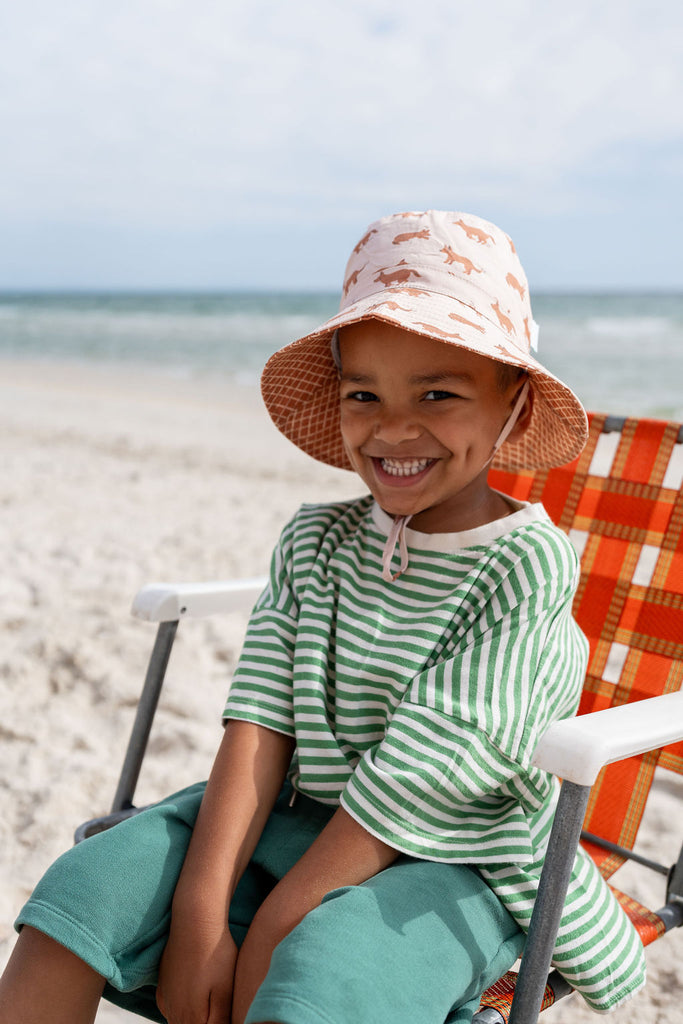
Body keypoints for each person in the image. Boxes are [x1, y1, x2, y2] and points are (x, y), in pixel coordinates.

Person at [0, 210, 646, 1024]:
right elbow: (258, 724)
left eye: (437, 395)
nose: (393, 429)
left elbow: (427, 774)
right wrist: (203, 913)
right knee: (84, 886)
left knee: (322, 971)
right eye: (363, 395)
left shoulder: (525, 565)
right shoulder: (315, 540)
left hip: (457, 858)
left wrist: (275, 919)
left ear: (512, 403)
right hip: (301, 818)